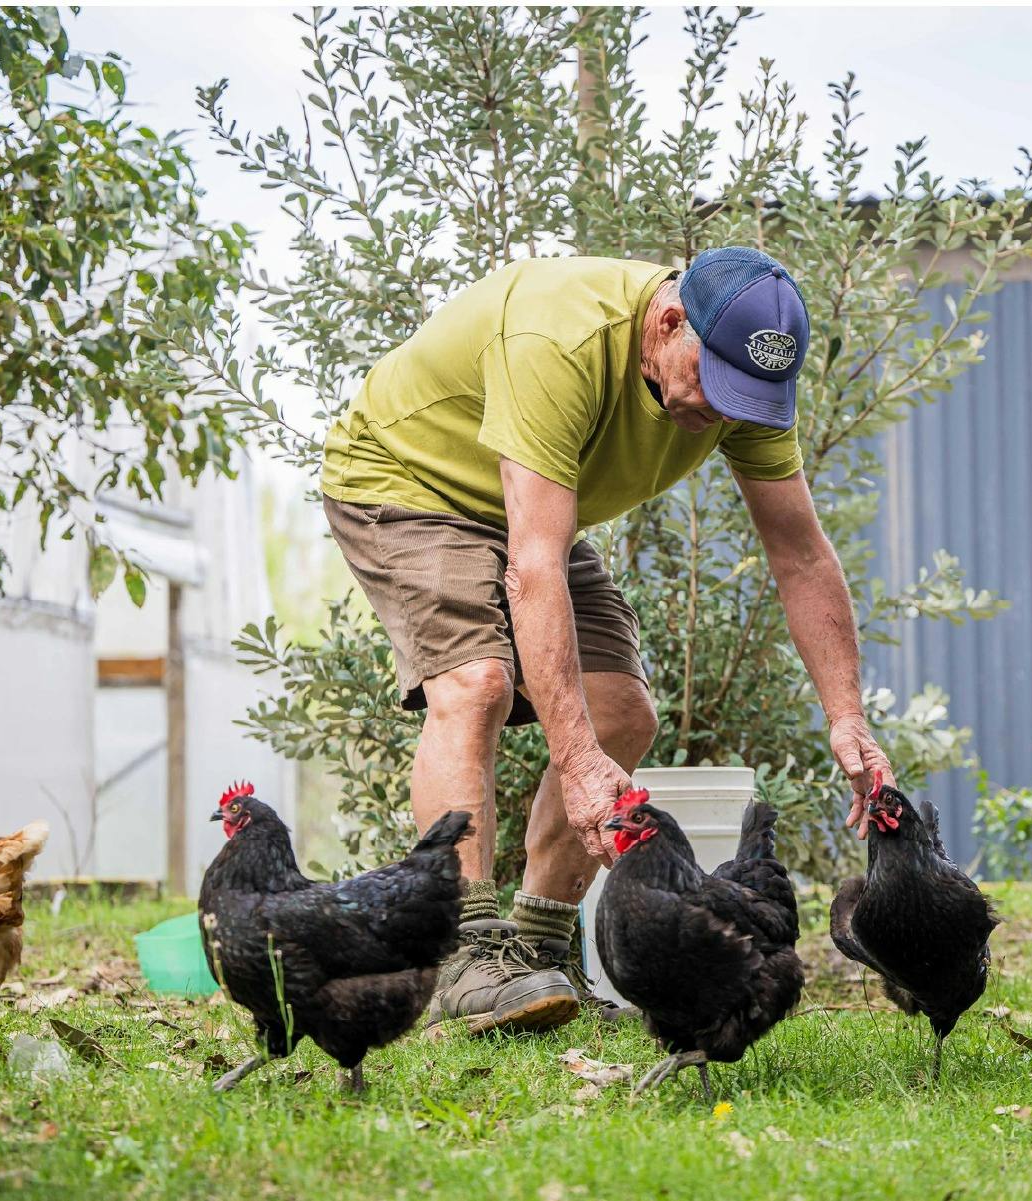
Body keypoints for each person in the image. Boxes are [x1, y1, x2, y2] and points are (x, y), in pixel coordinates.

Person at [320, 248, 897, 1033]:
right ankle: (464, 947)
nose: (724, 413)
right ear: (666, 323)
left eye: (747, 399)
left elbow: (799, 553)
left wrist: (845, 714)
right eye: (716, 386)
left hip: (528, 506)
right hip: (408, 480)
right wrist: (574, 758)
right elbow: (532, 565)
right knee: (476, 682)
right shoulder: (558, 340)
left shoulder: (739, 385)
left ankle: (534, 951)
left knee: (621, 714)